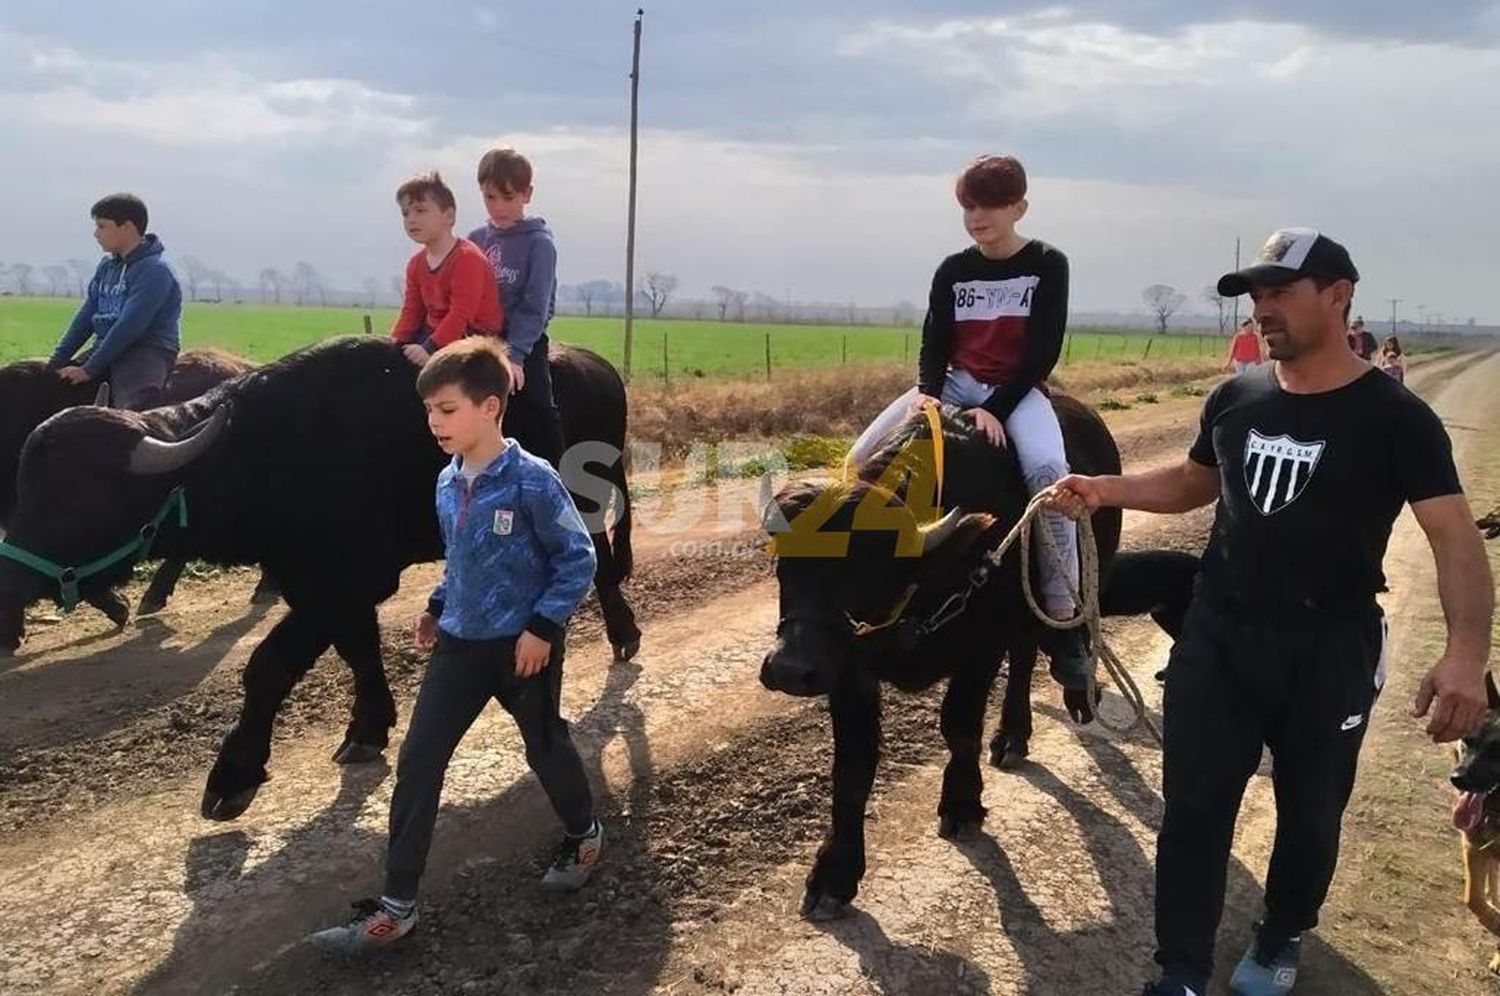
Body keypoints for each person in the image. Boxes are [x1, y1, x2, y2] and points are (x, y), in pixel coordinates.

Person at [1048, 228, 1493, 996]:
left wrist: (1464, 655)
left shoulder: (1395, 418)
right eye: (1254, 296)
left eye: (1279, 292)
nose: (1261, 311)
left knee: (1312, 810)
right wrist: (1106, 488)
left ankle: (1282, 932)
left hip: (1331, 644)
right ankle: (1180, 969)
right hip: (1219, 632)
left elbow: (1454, 540)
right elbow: (1193, 486)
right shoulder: (1236, 397)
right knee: (1193, 808)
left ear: (1339, 294)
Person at [311, 338, 601, 954]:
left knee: (545, 744)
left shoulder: (532, 481)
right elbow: (461, 558)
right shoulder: (447, 481)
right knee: (419, 763)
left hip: (525, 650)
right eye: (429, 412)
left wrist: (543, 629)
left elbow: (578, 559)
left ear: (490, 407)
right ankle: (397, 905)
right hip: (460, 648)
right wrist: (439, 607)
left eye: (446, 410)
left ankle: (584, 832)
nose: (434, 423)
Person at [847, 154, 1092, 700]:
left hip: (1016, 389)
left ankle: (1063, 615)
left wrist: (997, 407)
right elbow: (934, 342)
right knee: (859, 458)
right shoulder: (953, 269)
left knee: (1050, 473)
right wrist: (930, 397)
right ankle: (862, 588)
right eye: (969, 205)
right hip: (953, 382)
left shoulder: (1048, 264)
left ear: (1019, 208)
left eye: (991, 205)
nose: (978, 216)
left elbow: (1042, 350)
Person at [468, 148, 566, 467]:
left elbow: (535, 305)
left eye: (508, 198)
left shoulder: (539, 244)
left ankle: (554, 479)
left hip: (522, 340)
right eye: (490, 198)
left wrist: (515, 355)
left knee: (538, 405)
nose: (499, 208)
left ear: (527, 194)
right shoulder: (476, 240)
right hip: (477, 339)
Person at [48, 193, 182, 410]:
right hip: (106, 345)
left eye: (102, 226)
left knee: (127, 415)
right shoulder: (107, 267)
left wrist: (89, 370)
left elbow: (130, 326)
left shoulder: (155, 271)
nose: (95, 234)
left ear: (127, 227)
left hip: (145, 350)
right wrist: (55, 363)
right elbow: (85, 317)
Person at [389, 171, 503, 366]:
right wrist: (392, 346)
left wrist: (429, 348)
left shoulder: (467, 259)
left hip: (474, 337)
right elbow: (412, 311)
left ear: (448, 216)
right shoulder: (416, 264)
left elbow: (461, 314)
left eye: (420, 210)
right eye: (405, 213)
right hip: (435, 332)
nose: (411, 219)